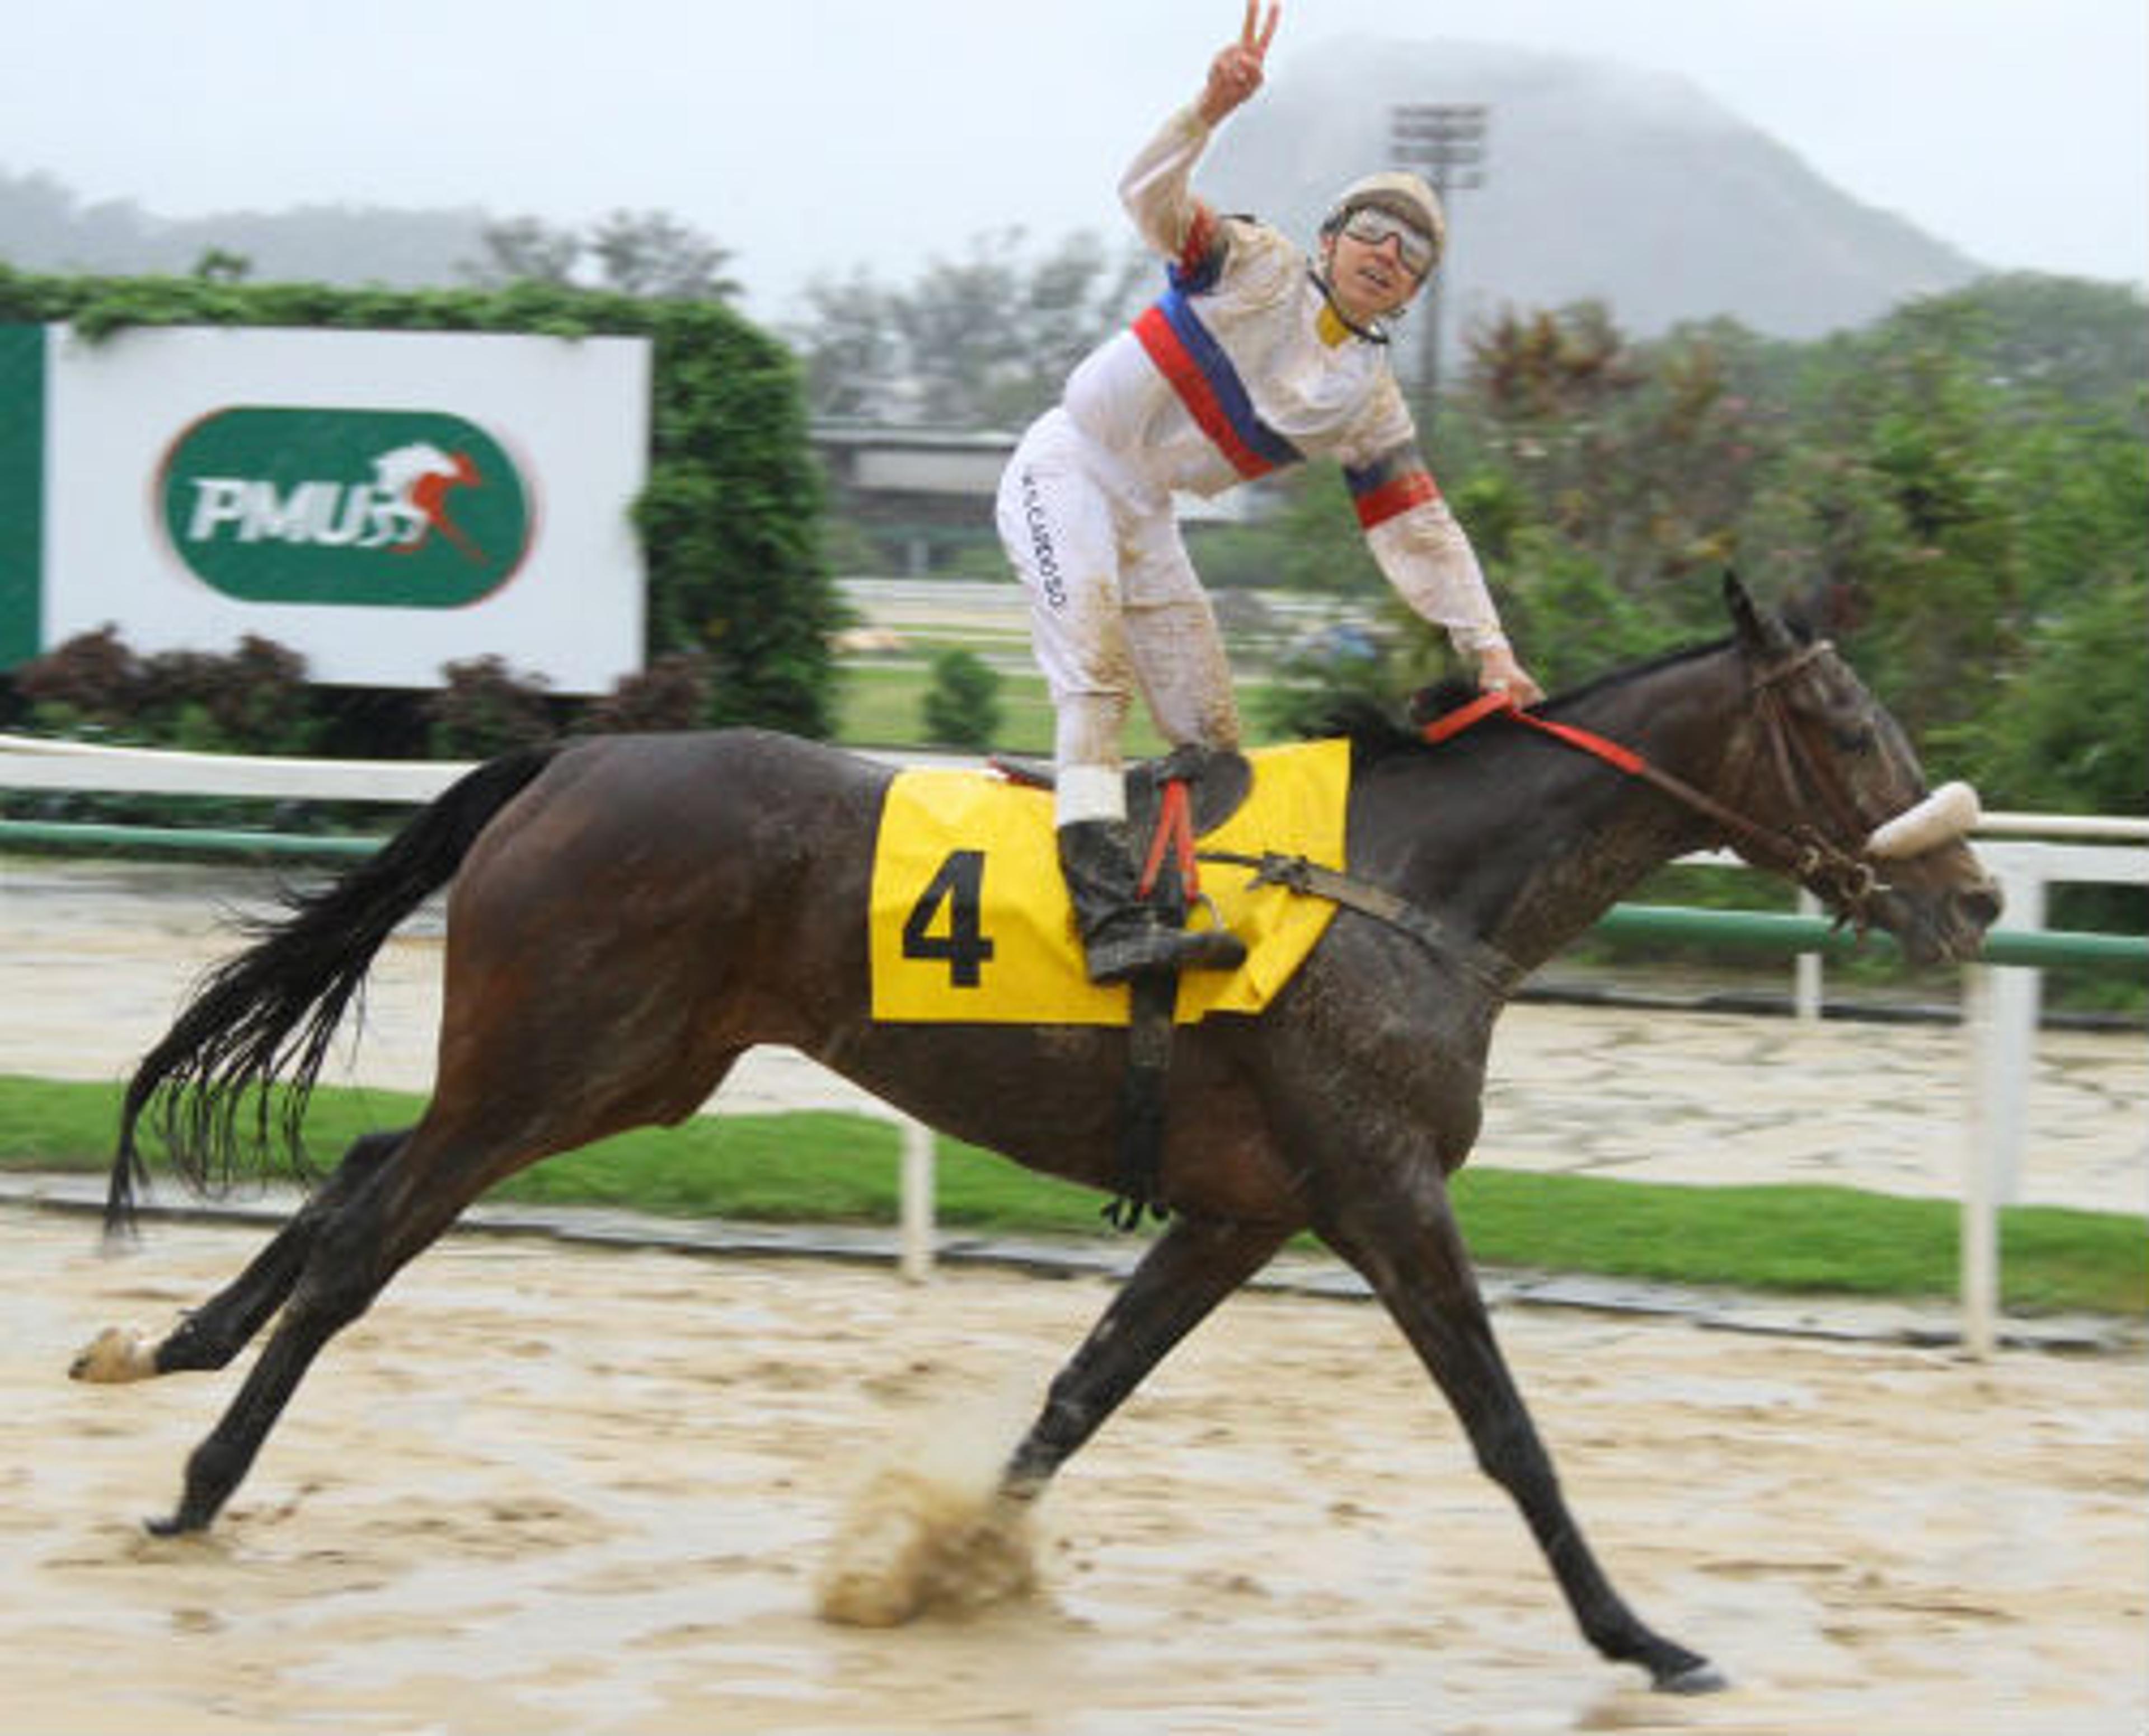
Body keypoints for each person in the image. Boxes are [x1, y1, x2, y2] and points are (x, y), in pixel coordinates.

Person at [996, 1, 1542, 986]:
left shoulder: (1368, 404)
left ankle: (1162, 892)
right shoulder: (1252, 263)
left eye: (1411, 253)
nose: (1388, 252)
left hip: (1147, 516)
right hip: (1068, 465)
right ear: (1331, 238)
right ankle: (1104, 915)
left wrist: (1491, 650)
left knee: (1213, 739)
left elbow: (1423, 529)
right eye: (1374, 230)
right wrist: (1207, 108)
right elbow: (1144, 197)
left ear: (1413, 293)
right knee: (1096, 679)